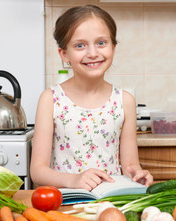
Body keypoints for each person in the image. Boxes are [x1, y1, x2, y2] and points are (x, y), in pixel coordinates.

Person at [30, 5, 153, 191]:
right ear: (65, 54)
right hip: (66, 201)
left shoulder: (125, 101)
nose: (93, 53)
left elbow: (130, 165)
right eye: (80, 45)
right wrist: (73, 180)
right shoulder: (50, 99)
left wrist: (138, 174)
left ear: (113, 46)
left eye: (101, 43)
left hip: (110, 201)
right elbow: (38, 171)